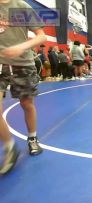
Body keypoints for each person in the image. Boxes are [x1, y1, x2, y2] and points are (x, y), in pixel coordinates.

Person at [0, 0, 47, 174]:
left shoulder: (20, 7)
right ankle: (10, 147)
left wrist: (22, 46)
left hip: (22, 63)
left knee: (27, 104)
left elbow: (41, 36)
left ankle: (32, 138)